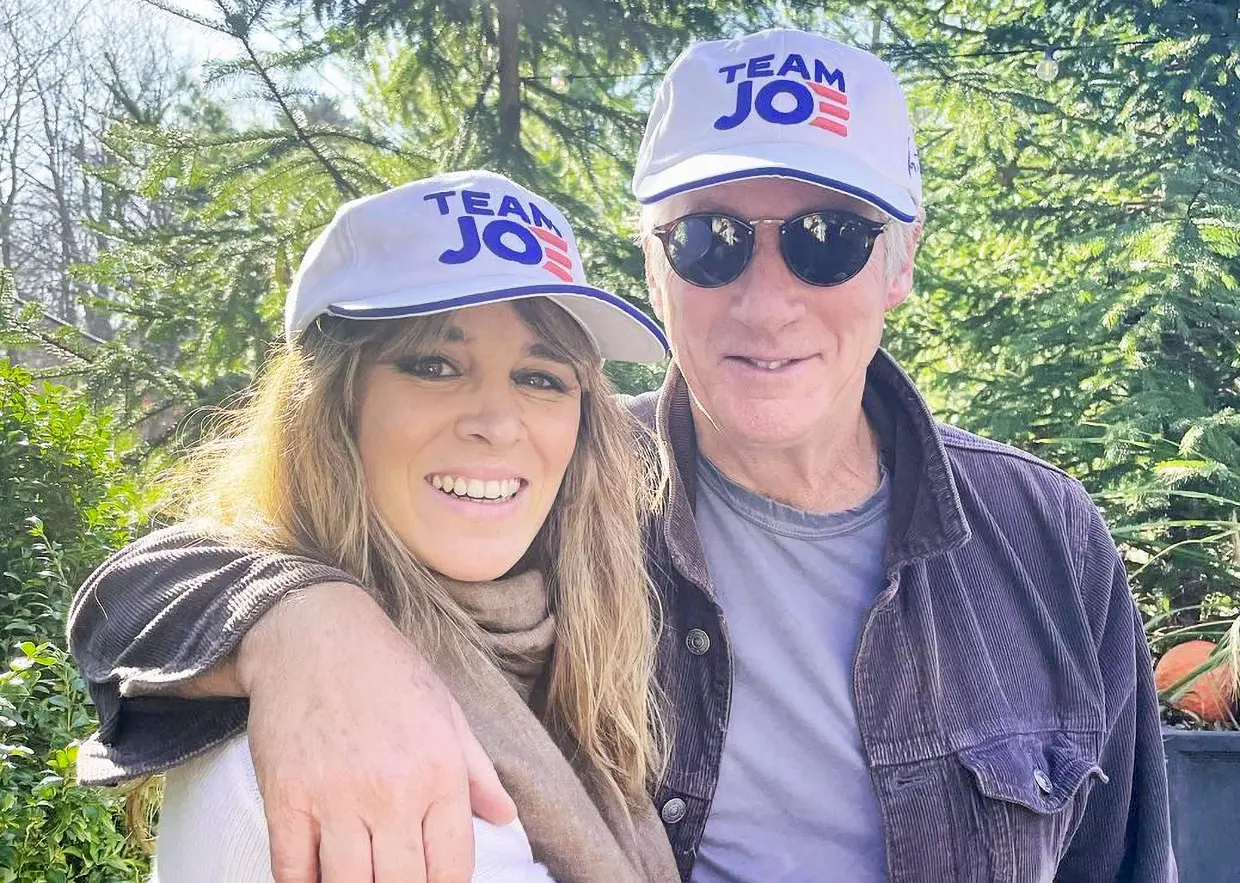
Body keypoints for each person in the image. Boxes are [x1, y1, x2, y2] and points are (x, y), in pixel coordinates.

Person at [69, 29, 1176, 883]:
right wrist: (300, 617)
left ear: (900, 262)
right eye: (709, 240)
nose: (765, 297)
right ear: (651, 267)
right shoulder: (568, 502)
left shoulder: (1041, 535)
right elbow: (170, 583)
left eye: (827, 239)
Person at [85, 168, 681, 883]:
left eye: (541, 376)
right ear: (334, 408)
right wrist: (299, 619)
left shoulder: (568, 652)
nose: (496, 423)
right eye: (434, 363)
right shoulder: (328, 744)